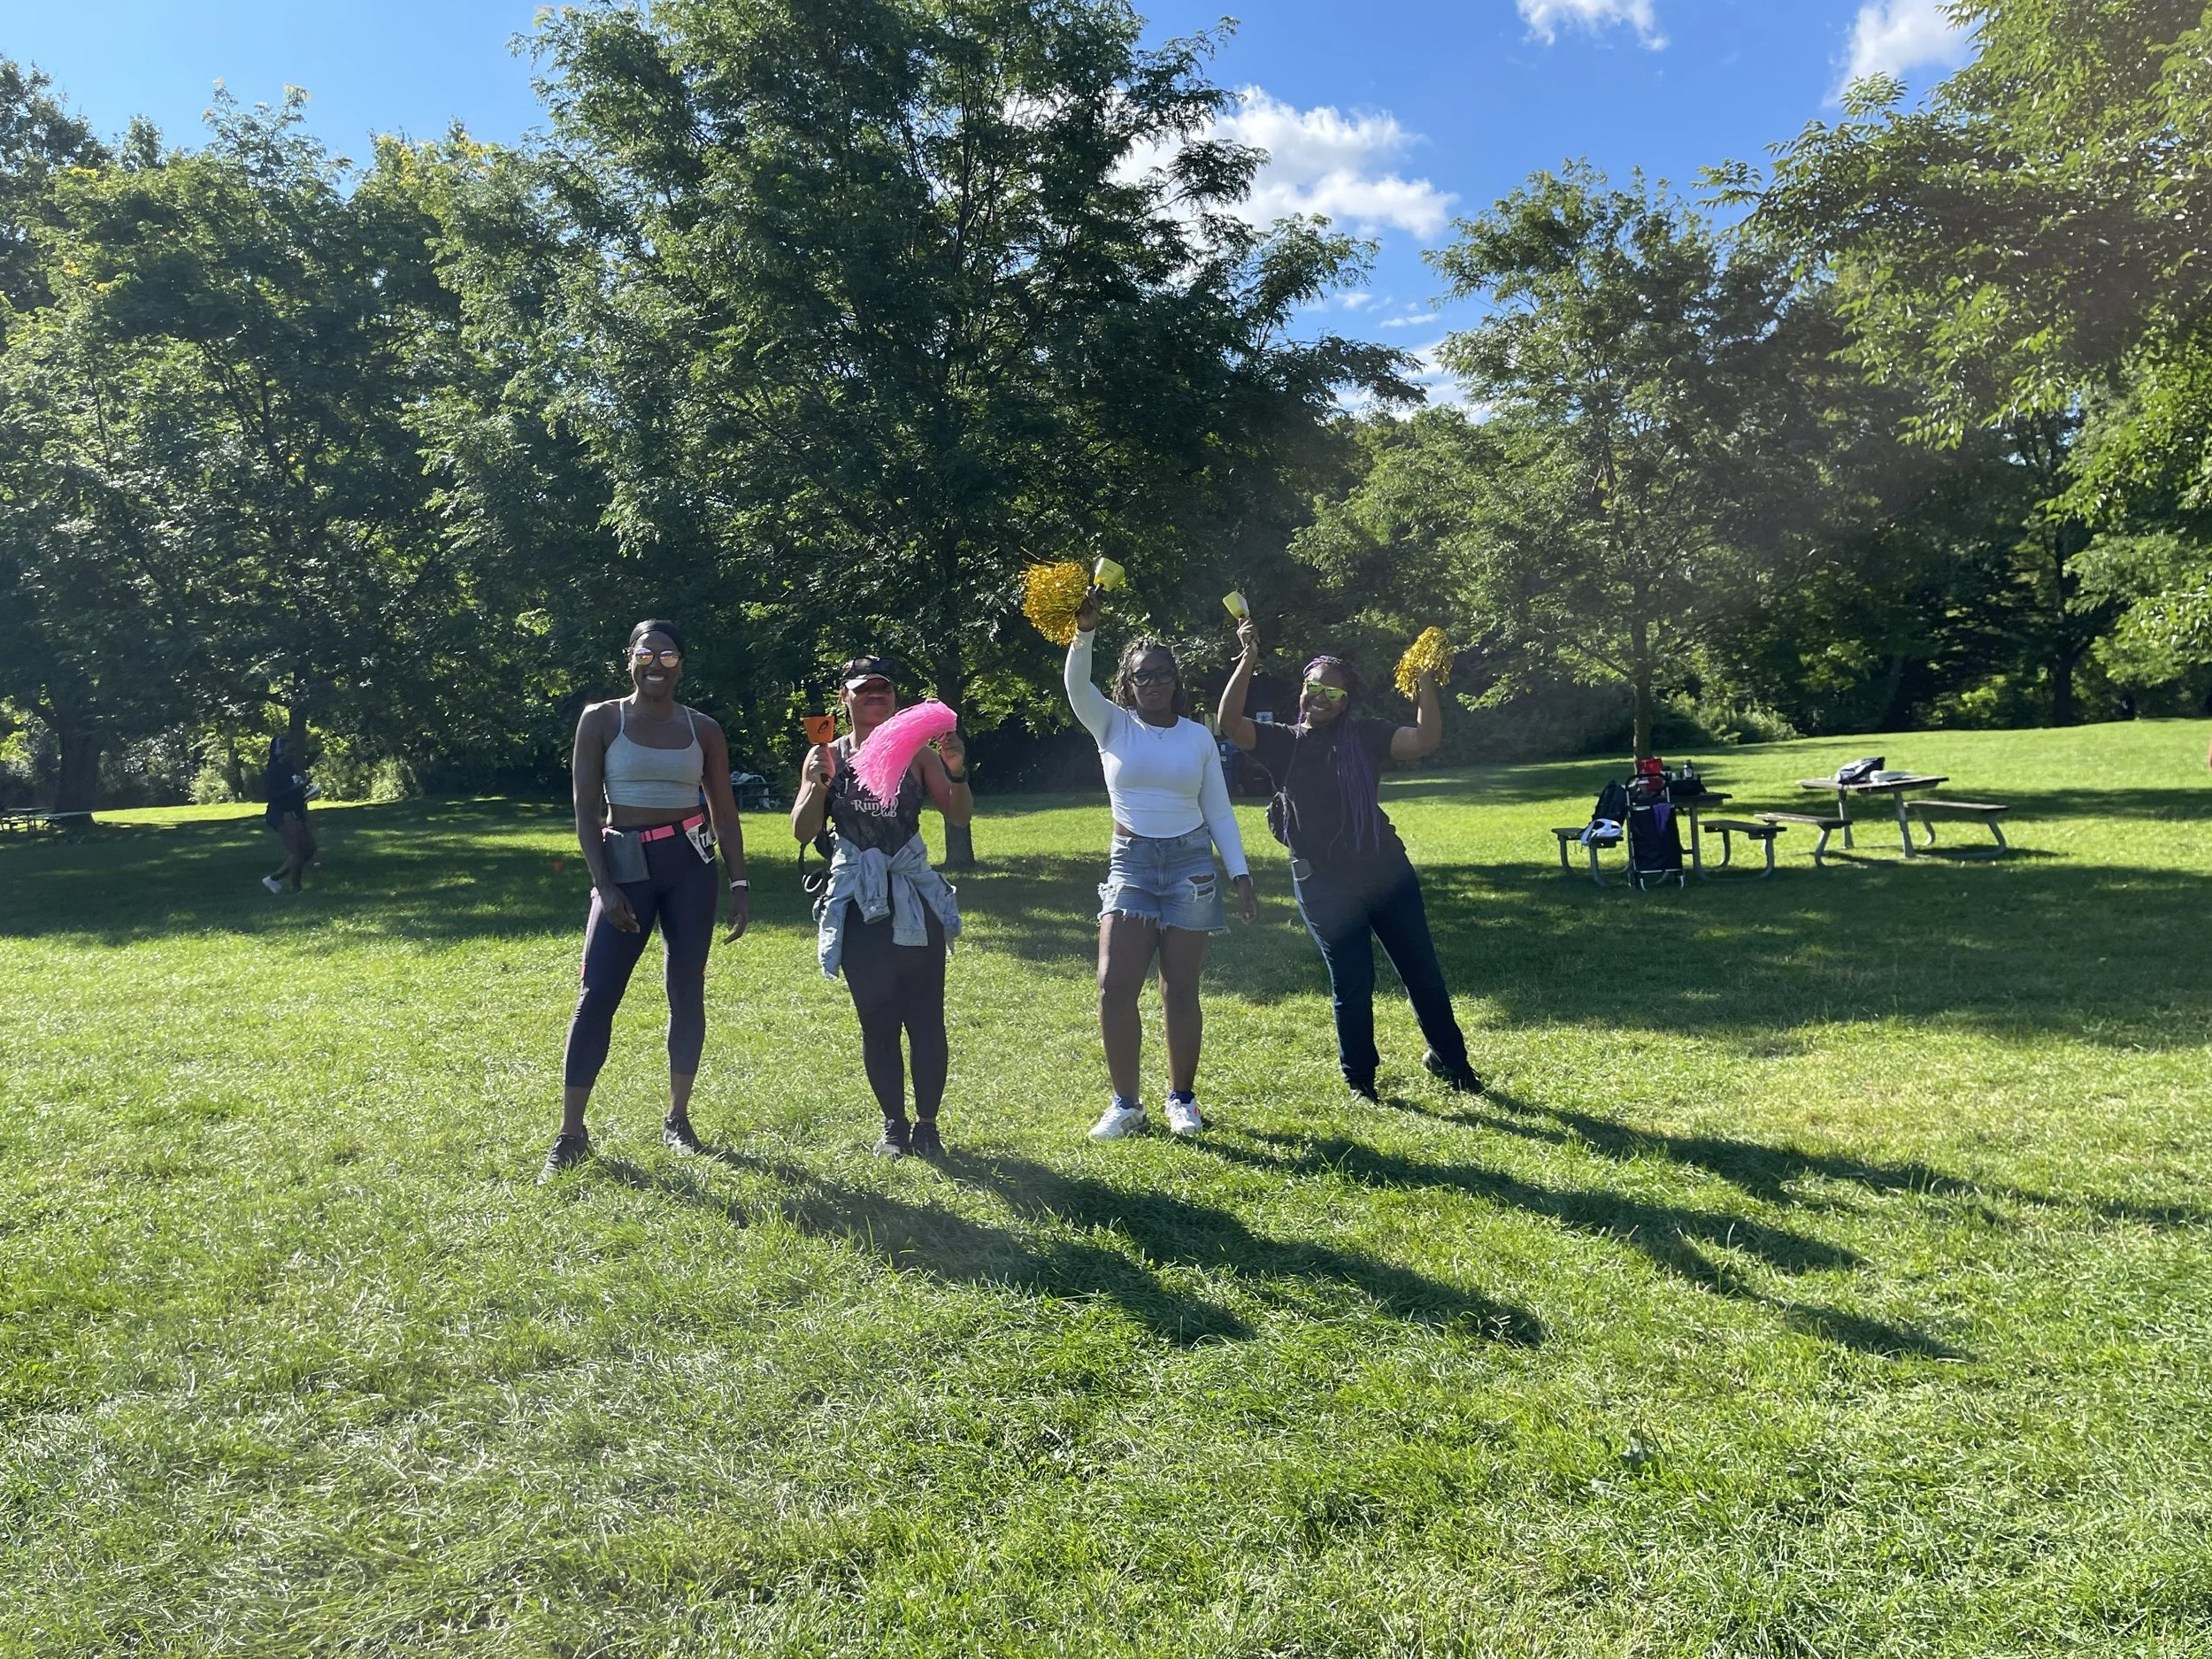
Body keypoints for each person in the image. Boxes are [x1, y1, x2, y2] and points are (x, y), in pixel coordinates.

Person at [1217, 614, 1482, 1102]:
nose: (1318, 697)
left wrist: (1425, 683)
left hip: (1387, 875)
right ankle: (1361, 1080)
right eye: (1311, 687)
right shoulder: (1284, 743)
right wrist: (1249, 657)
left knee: (1422, 972)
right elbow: (1229, 722)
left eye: (1331, 693)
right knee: (1353, 984)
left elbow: (1424, 740)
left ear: (1347, 701)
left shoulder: (1368, 736)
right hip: (1323, 884)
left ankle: (1454, 1063)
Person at [541, 619, 750, 1181]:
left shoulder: (703, 730)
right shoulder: (601, 719)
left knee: (687, 989)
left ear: (682, 664)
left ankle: (678, 1120)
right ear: (629, 659)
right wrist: (605, 886)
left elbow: (723, 811)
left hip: (690, 866)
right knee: (597, 992)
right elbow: (586, 809)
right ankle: (569, 1134)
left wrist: (738, 882)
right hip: (625, 864)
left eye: (670, 656)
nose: (657, 664)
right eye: (647, 653)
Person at [1065, 584, 1256, 1141]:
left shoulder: (1198, 737)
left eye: (1162, 674)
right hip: (1132, 863)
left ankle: (1182, 1100)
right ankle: (1127, 1103)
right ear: (1128, 683)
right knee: (1114, 985)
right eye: (1142, 675)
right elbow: (1077, 683)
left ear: (1177, 681)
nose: (1153, 683)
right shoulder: (1112, 724)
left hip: (1192, 866)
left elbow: (1217, 809)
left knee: (1180, 988)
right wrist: (1084, 632)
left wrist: (1240, 871)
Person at [790, 656, 970, 1159]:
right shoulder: (829, 754)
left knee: (926, 1017)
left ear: (895, 699)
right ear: (844, 698)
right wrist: (815, 782)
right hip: (858, 903)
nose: (875, 695)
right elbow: (803, 831)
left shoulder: (919, 754)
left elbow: (958, 815)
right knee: (877, 1018)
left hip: (913, 896)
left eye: (884, 689)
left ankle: (928, 1126)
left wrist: (956, 770)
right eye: (863, 688)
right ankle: (894, 1124)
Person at [260, 735, 316, 894]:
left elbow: (296, 792)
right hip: (280, 814)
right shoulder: (273, 771)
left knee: (309, 849)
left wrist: (307, 792)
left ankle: (273, 879)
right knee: (298, 851)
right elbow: (270, 796)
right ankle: (296, 888)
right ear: (280, 752)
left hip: (294, 811)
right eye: (290, 750)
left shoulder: (291, 769)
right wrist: (293, 790)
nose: (293, 753)